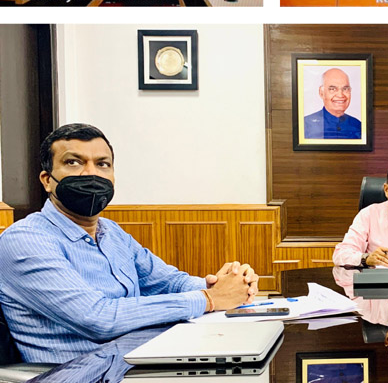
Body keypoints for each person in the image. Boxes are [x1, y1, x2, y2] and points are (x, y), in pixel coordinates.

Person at [0, 123, 259, 363]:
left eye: (102, 164)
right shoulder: (25, 240)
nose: (91, 173)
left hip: (139, 360)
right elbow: (98, 318)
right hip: (80, 373)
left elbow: (167, 282)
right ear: (47, 180)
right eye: (74, 162)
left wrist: (227, 284)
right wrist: (209, 298)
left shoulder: (111, 232)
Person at [304, 68, 362, 139]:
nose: (340, 95)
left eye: (345, 89)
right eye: (333, 89)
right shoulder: (305, 125)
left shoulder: (358, 126)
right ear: (321, 93)